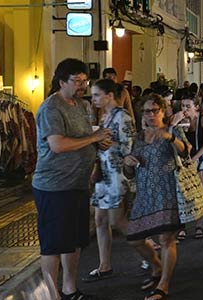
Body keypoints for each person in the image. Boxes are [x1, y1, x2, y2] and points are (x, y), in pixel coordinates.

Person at [34, 58, 110, 300]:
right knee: (54, 244)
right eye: (77, 81)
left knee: (75, 241)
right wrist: (93, 138)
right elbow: (57, 145)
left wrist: (98, 144)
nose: (82, 86)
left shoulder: (79, 105)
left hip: (77, 184)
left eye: (84, 81)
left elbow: (84, 137)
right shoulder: (51, 108)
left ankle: (69, 288)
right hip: (54, 187)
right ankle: (52, 294)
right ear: (61, 81)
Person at [123, 94, 190, 300]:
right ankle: (157, 266)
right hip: (145, 195)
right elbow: (129, 173)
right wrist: (128, 162)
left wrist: (170, 138)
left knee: (167, 238)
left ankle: (164, 284)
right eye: (146, 111)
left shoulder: (172, 131)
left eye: (155, 110)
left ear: (163, 111)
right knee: (134, 237)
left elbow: (186, 151)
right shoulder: (138, 138)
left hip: (168, 192)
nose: (151, 115)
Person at [83, 79, 138, 284]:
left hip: (117, 173)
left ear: (110, 95)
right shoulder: (104, 116)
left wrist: (104, 141)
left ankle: (149, 250)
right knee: (100, 220)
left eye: (97, 95)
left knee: (118, 221)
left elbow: (129, 148)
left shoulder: (122, 117)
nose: (94, 99)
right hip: (104, 173)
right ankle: (104, 265)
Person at [172, 97, 203, 240]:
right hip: (183, 159)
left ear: (196, 107)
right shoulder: (180, 121)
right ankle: (182, 227)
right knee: (182, 194)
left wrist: (195, 158)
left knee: (199, 193)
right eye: (182, 106)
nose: (184, 109)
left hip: (199, 158)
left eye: (188, 106)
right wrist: (175, 124)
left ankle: (199, 225)